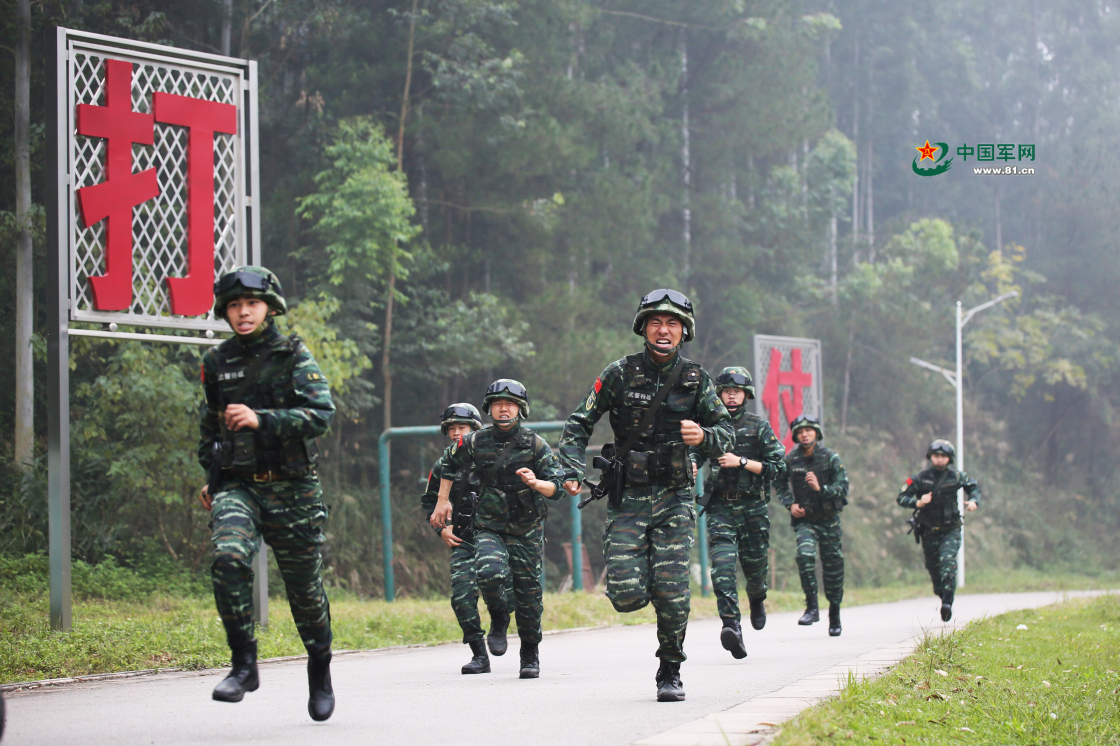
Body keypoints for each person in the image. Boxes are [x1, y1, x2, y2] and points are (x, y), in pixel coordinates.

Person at [558, 289, 733, 702]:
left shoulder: (697, 379)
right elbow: (578, 422)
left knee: (673, 592)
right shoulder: (618, 373)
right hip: (629, 498)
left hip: (675, 497)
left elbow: (726, 434)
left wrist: (703, 436)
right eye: (656, 321)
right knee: (624, 594)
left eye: (672, 323)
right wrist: (568, 469)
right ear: (643, 327)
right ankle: (657, 587)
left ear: (683, 331)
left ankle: (670, 670)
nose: (663, 329)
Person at [197, 266, 337, 721]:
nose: (242, 312)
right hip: (239, 486)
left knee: (305, 592)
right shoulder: (217, 363)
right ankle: (244, 663)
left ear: (269, 307)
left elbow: (320, 414)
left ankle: (319, 667)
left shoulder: (291, 353)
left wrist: (263, 419)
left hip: (293, 489)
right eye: (234, 306)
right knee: (227, 559)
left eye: (251, 304)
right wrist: (212, 476)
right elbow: (209, 428)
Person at [431, 380, 565, 679]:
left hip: (527, 529)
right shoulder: (476, 441)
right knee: (489, 573)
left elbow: (557, 487)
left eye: (510, 404)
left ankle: (530, 653)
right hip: (488, 526)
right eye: (497, 404)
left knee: (529, 597)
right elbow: (448, 463)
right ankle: (499, 617)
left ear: (521, 409)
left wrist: (535, 483)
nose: (503, 409)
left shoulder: (535, 444)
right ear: (489, 409)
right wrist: (441, 501)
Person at [690, 367, 786, 659]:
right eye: (727, 391)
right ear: (719, 394)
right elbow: (695, 450)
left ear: (746, 395)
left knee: (755, 570)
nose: (731, 396)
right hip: (720, 507)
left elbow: (778, 467)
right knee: (722, 569)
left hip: (753, 508)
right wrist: (692, 463)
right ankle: (731, 626)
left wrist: (742, 461)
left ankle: (757, 598)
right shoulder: (709, 425)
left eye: (737, 391)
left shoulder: (759, 426)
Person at [420, 403, 515, 674]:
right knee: (461, 596)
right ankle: (479, 655)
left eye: (461, 427)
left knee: (505, 590)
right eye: (451, 429)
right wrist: (441, 529)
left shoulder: (493, 456)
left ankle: (501, 621)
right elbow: (429, 502)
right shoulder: (443, 465)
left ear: (475, 429)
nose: (455, 433)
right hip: (463, 539)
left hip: (499, 537)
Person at [775, 414, 849, 637]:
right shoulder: (791, 459)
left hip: (828, 520)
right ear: (796, 436)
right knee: (804, 556)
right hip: (805, 520)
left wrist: (821, 489)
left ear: (817, 433)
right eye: (800, 431)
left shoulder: (831, 458)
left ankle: (834, 613)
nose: (804, 434)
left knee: (833, 568)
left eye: (808, 430)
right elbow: (779, 484)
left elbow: (843, 488)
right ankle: (812, 607)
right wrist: (790, 504)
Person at [897, 439, 981, 622]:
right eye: (936, 456)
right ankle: (943, 595)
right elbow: (901, 497)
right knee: (935, 572)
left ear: (949, 459)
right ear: (930, 457)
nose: (940, 460)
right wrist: (917, 502)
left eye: (943, 456)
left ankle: (948, 604)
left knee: (947, 563)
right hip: (928, 531)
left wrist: (973, 501)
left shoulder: (956, 476)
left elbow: (973, 486)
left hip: (950, 529)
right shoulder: (920, 478)